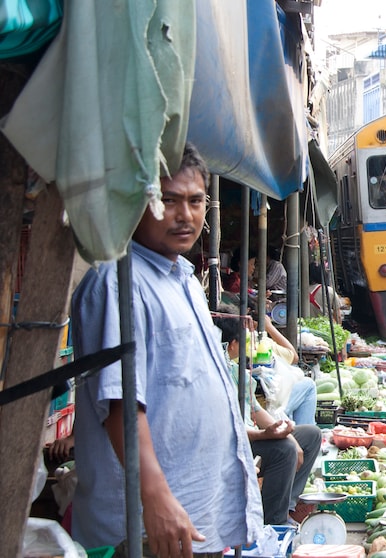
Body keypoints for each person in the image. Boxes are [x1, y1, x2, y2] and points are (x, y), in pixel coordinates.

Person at [70, 143, 263, 555]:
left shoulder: (182, 278)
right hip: (147, 527)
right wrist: (155, 499)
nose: (185, 215)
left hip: (193, 515)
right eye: (167, 200)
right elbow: (121, 405)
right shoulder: (118, 283)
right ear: (135, 201)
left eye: (195, 201)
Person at [214, 315, 322, 526]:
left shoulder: (237, 372)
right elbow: (226, 428)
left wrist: (283, 430)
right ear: (234, 344)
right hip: (232, 444)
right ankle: (274, 520)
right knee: (284, 450)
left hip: (252, 436)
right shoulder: (214, 376)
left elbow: (254, 409)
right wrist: (266, 435)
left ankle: (287, 505)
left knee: (310, 436)